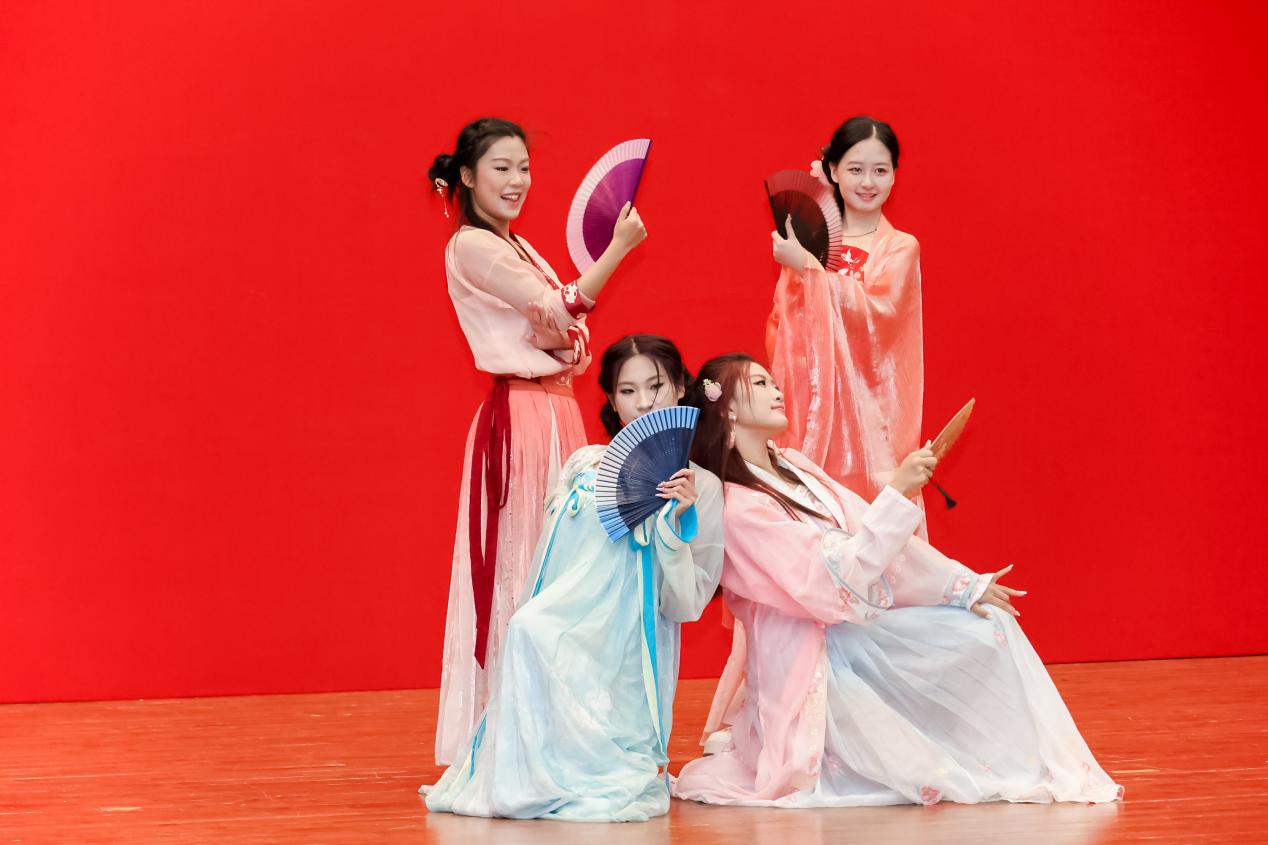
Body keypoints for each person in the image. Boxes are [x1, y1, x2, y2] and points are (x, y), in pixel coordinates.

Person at [673, 354, 1122, 807]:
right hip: (809, 662)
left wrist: (961, 586)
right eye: (759, 383)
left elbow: (871, 537)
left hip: (848, 636)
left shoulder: (794, 466)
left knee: (991, 627)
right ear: (727, 407)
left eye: (773, 381)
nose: (776, 391)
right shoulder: (738, 506)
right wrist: (898, 492)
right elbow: (832, 578)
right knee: (922, 772)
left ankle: (1031, 758)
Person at [425, 336, 723, 821]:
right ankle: (530, 774)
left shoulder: (702, 487)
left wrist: (672, 530)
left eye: (656, 386)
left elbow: (685, 605)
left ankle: (598, 766)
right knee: (529, 630)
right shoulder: (587, 466)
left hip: (635, 636)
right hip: (573, 618)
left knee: (540, 635)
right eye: (627, 391)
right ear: (611, 400)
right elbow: (553, 566)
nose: (644, 403)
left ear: (680, 387)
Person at [428, 118, 647, 764]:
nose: (517, 180)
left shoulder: (518, 246)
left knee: (562, 565)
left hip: (555, 411)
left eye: (523, 167)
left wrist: (565, 320)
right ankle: (511, 736)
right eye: (502, 167)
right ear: (467, 176)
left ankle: (554, 729)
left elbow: (569, 337)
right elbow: (560, 314)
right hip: (522, 418)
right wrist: (615, 252)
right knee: (525, 565)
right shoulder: (473, 246)